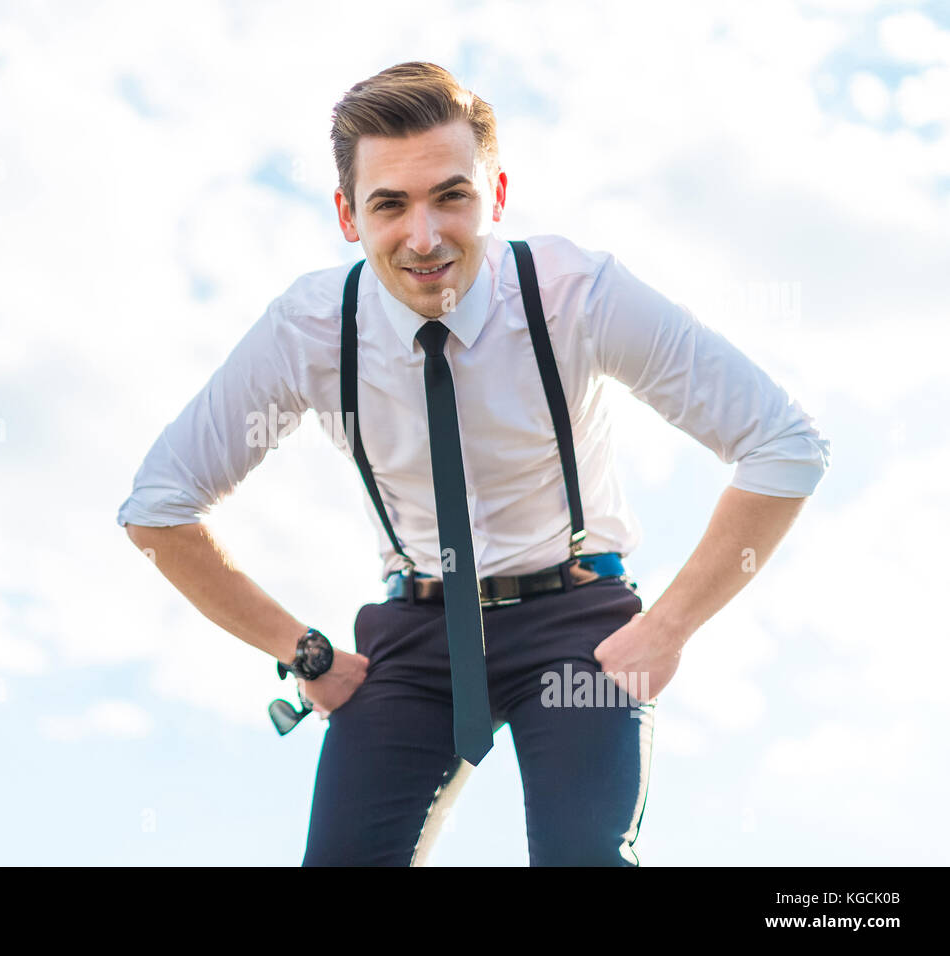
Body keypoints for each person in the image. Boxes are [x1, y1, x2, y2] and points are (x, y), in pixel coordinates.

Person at [116, 61, 830, 866]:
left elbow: (784, 443)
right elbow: (159, 507)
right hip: (417, 632)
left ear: (493, 196)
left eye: (450, 195)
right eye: (390, 204)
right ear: (350, 215)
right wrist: (300, 648)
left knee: (582, 858)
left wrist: (668, 628)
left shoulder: (575, 296)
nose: (424, 237)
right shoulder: (310, 330)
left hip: (574, 624)